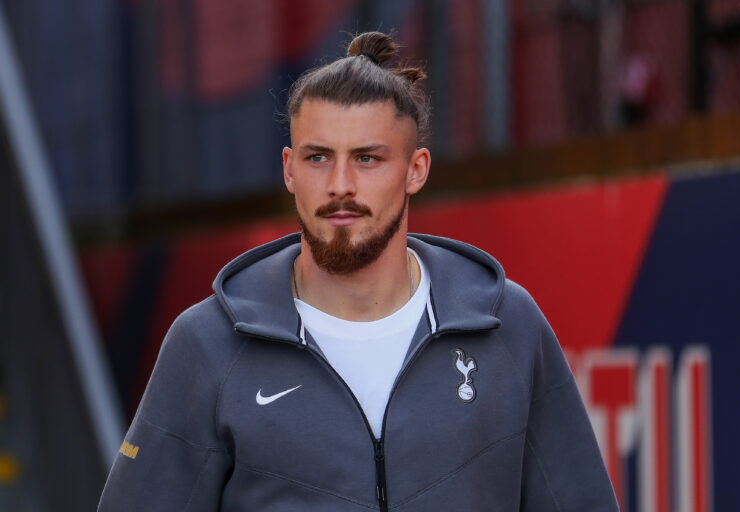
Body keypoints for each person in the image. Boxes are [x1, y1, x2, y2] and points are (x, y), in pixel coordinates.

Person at [98, 32, 618, 511]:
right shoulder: (208, 343)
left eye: (367, 159)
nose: (340, 184)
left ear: (416, 170)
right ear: (289, 169)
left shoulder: (507, 326)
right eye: (318, 158)